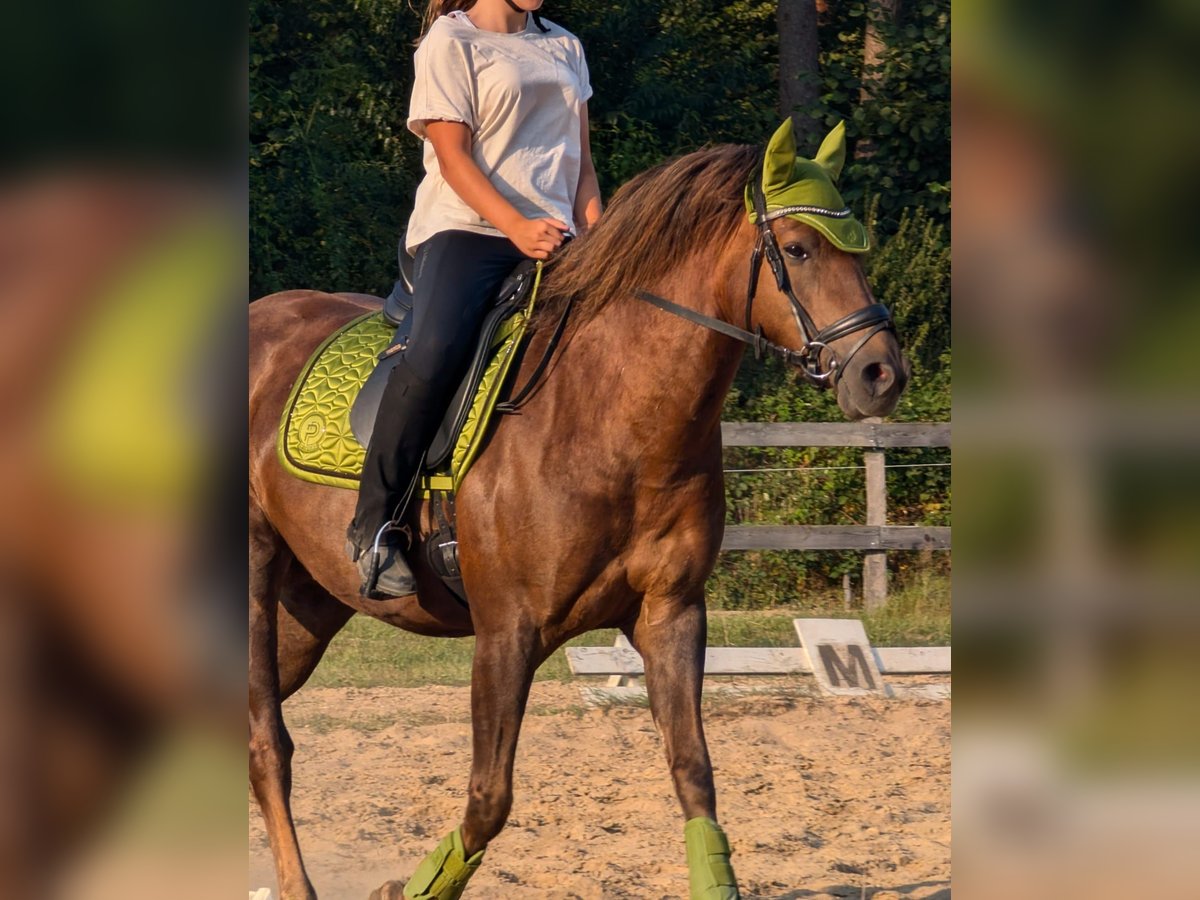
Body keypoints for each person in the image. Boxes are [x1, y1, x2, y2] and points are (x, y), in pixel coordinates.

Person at [346, 0, 603, 597]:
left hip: (559, 238)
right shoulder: (450, 42)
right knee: (433, 351)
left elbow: (582, 166)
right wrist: (516, 227)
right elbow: (453, 157)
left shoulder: (566, 46)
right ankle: (375, 524)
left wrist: (600, 240)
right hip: (468, 231)